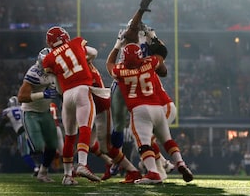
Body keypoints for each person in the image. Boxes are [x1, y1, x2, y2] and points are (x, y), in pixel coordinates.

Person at [106, 41, 194, 184]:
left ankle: (153, 173)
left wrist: (116, 46)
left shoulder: (120, 71)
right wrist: (152, 39)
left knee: (143, 144)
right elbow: (161, 54)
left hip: (139, 110)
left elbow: (109, 64)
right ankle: (180, 163)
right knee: (167, 140)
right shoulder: (150, 62)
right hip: (157, 108)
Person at [41, 26, 103, 185]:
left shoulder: (48, 59)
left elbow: (57, 84)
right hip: (83, 89)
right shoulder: (77, 43)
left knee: (69, 136)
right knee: (85, 127)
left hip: (67, 95)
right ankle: (82, 163)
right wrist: (85, 58)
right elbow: (94, 52)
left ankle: (67, 175)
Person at [17, 47, 61, 183]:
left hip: (45, 112)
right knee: (38, 146)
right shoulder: (34, 73)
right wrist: (43, 94)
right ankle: (36, 166)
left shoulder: (56, 70)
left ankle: (43, 172)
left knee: (53, 146)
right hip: (31, 112)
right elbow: (21, 97)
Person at [0, 96, 36, 175]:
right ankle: (41, 167)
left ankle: (36, 169)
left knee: (24, 153)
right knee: (34, 151)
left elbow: (3, 123)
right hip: (32, 130)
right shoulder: (23, 107)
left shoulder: (7, 111)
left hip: (22, 132)